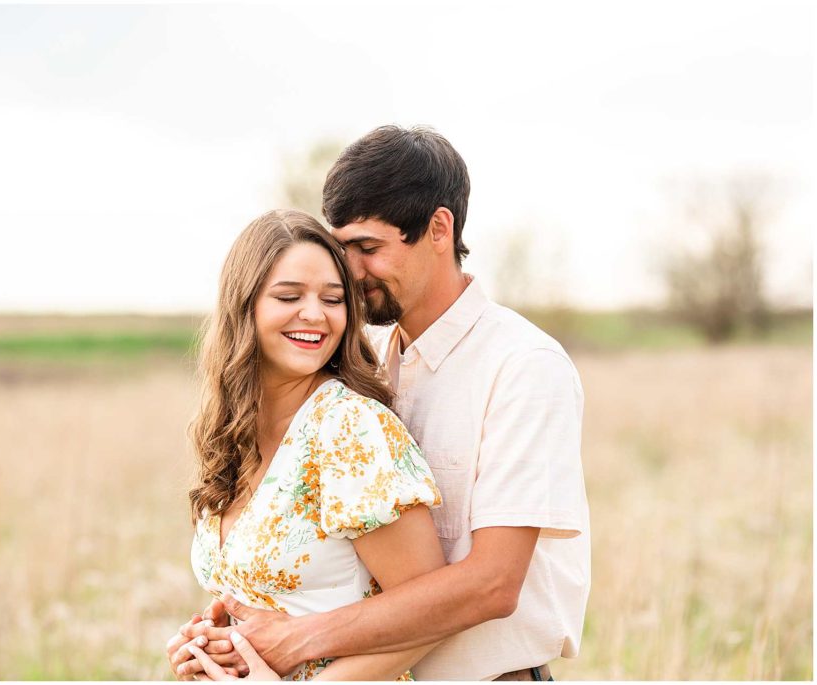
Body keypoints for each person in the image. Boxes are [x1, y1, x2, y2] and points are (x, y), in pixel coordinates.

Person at [172, 126, 591, 681]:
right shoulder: (354, 354)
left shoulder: (522, 367)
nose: (350, 271)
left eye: (368, 249)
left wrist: (296, 640)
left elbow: (492, 584)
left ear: (439, 229)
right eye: (342, 248)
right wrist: (227, 640)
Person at [171, 209, 448, 680]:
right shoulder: (233, 432)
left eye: (333, 299)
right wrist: (208, 646)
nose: (315, 314)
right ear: (244, 306)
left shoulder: (349, 428)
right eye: (289, 296)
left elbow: (431, 617)